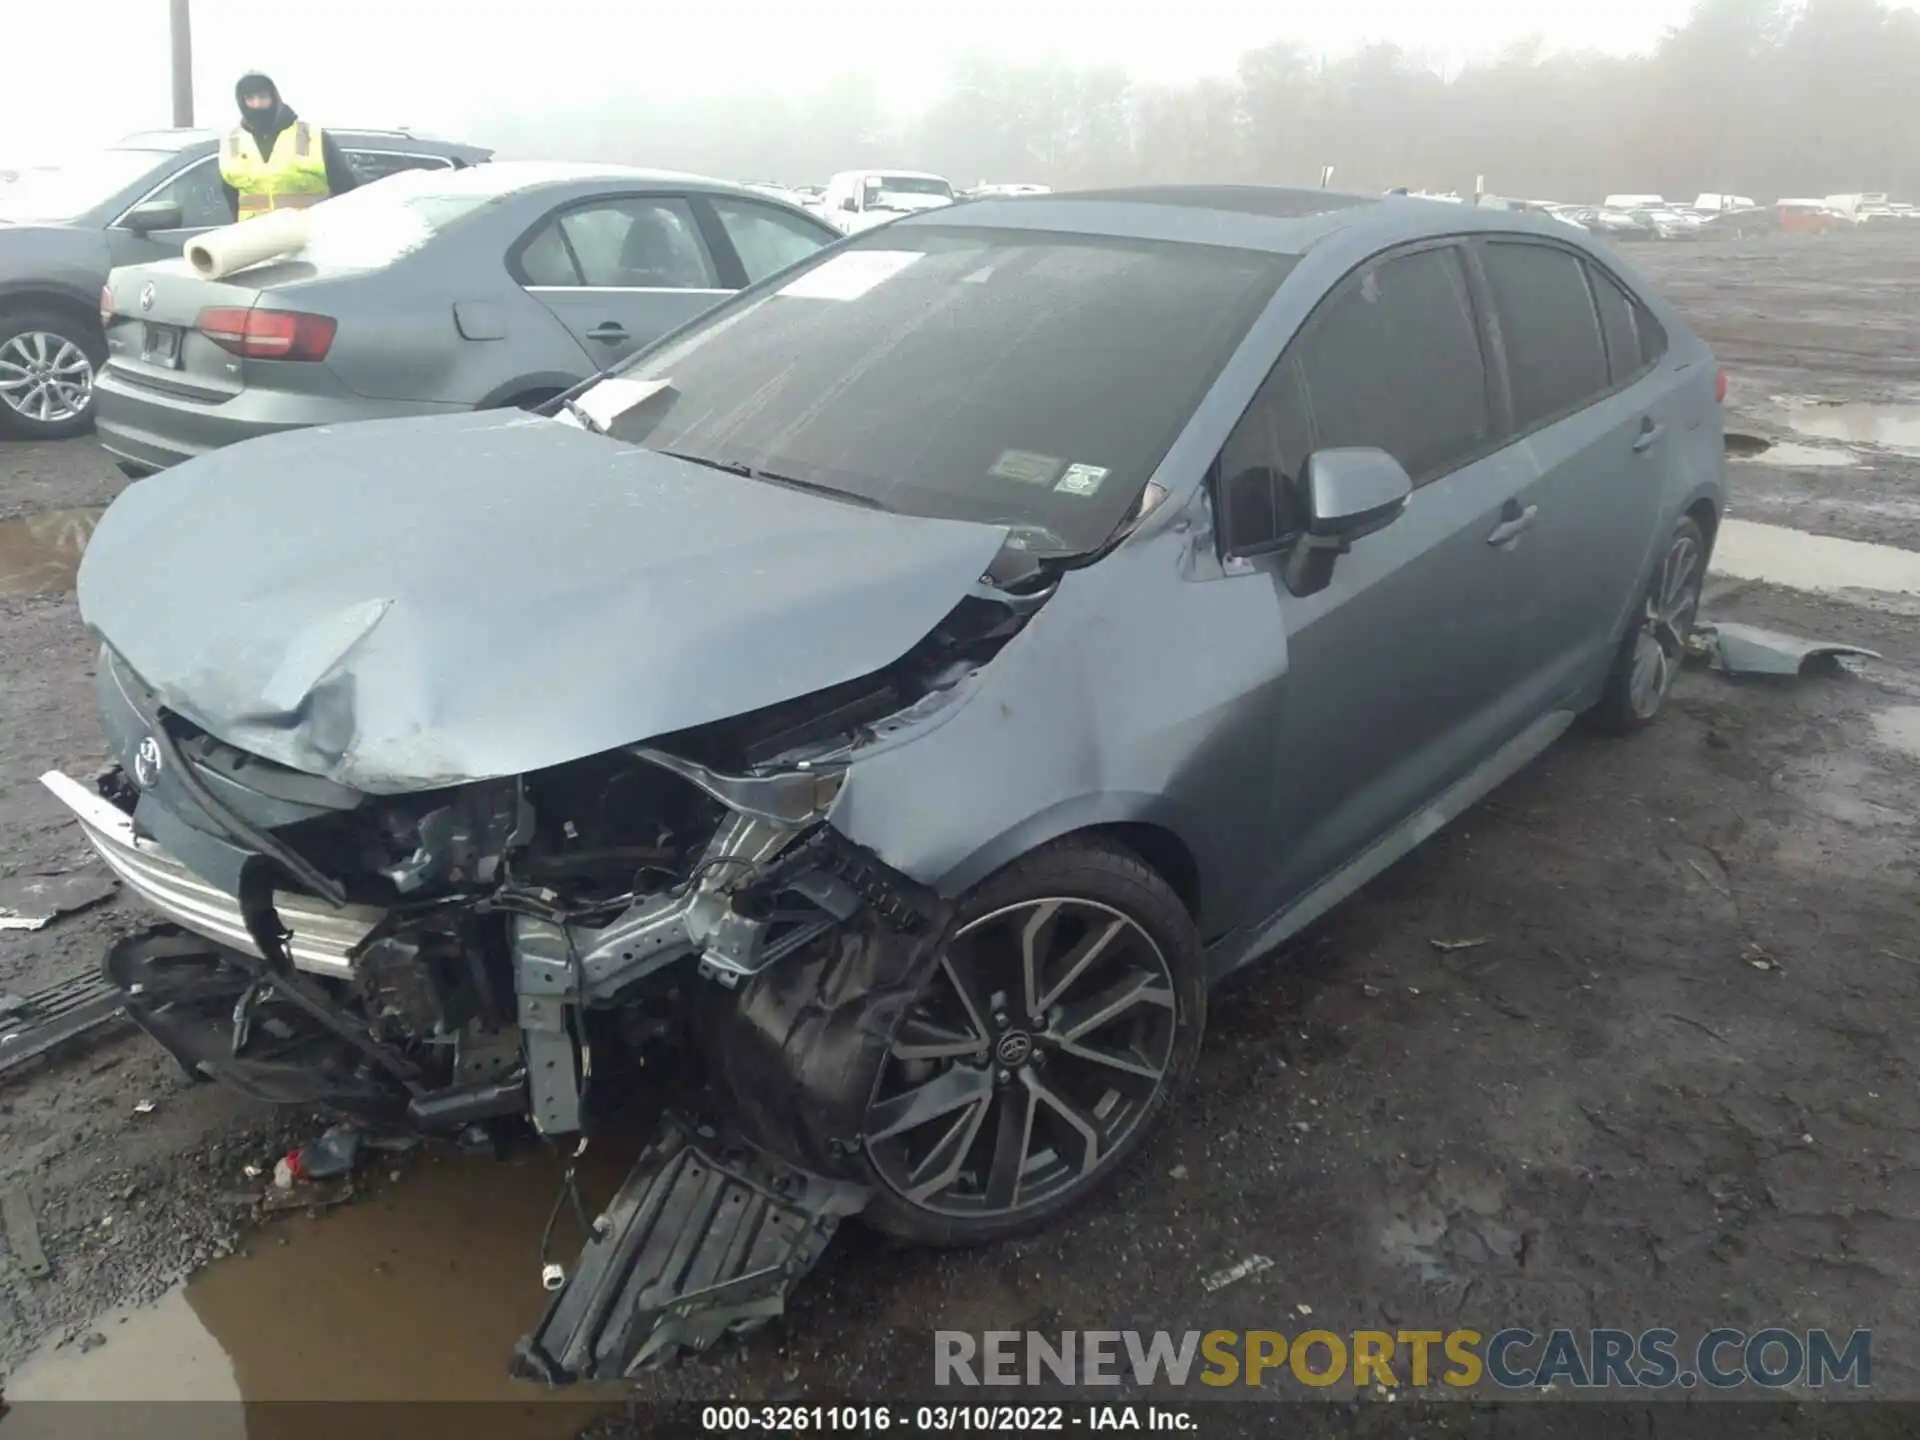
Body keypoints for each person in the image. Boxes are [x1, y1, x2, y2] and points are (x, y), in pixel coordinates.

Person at [218, 71, 358, 222]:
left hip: (308, 236)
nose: (256, 105)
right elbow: (231, 195)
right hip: (256, 239)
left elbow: (346, 190)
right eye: (249, 99)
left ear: (274, 98)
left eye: (263, 97)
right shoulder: (233, 141)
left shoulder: (310, 135)